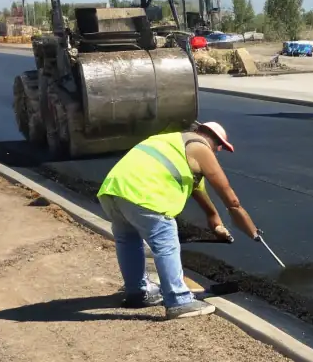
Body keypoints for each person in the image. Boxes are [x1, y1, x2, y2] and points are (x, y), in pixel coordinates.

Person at [97, 121, 259, 319]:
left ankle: (138, 293)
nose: (218, 151)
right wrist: (251, 231)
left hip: (113, 190)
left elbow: (197, 189)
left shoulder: (172, 142)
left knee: (128, 241)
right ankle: (179, 300)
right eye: (220, 147)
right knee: (166, 242)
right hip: (145, 194)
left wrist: (214, 218)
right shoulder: (200, 147)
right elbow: (230, 199)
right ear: (214, 140)